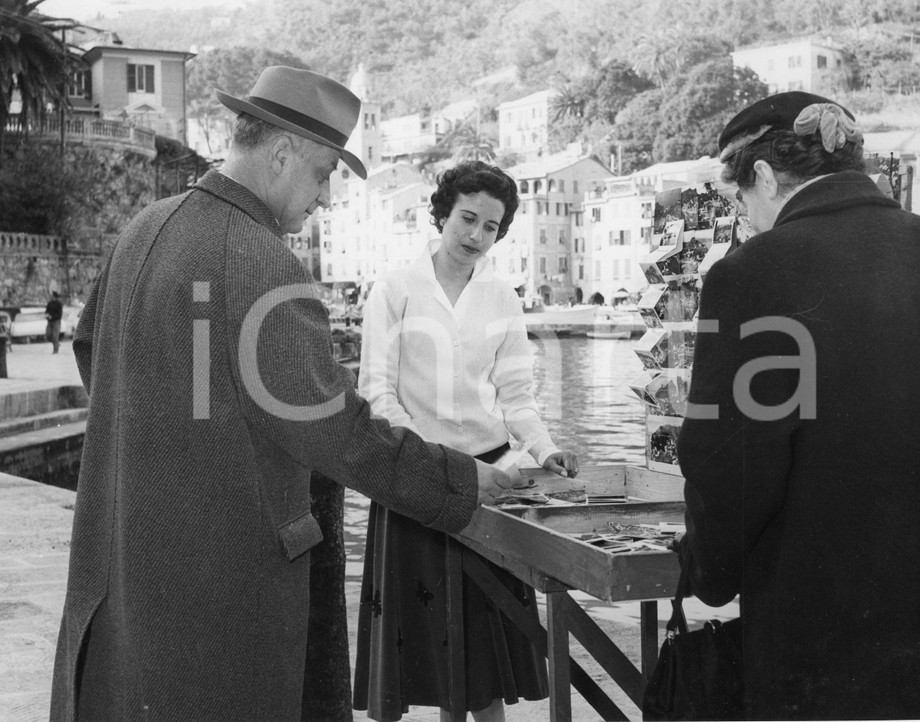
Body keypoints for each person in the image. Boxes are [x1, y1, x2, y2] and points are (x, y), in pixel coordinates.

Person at [49, 66, 515, 721]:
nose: (323, 198)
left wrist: (175, 436)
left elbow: (92, 346)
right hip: (218, 589)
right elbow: (342, 436)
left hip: (130, 567)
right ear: (282, 153)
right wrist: (463, 480)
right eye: (324, 174)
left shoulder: (143, 228)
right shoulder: (265, 262)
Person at [676, 90, 920, 719]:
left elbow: (733, 460)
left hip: (826, 634)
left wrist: (708, 573)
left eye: (742, 198)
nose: (745, 216)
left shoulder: (752, 272)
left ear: (764, 176)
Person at [353, 160, 579, 722]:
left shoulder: (502, 296)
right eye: (468, 219)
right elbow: (376, 392)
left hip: (489, 479)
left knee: (484, 663)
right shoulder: (396, 287)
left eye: (491, 227)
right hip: (414, 478)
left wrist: (547, 449)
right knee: (409, 650)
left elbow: (517, 393)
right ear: (442, 214)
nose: (477, 236)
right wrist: (425, 462)